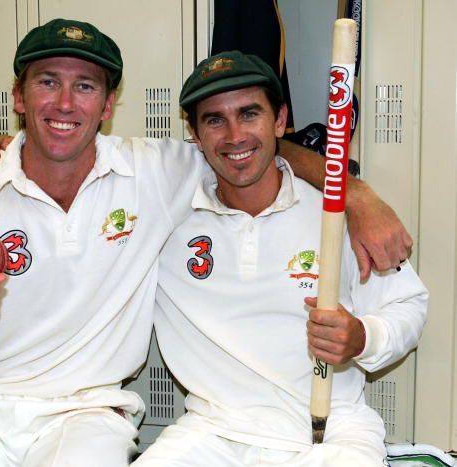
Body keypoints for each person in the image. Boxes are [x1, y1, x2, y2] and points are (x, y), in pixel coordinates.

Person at [0, 17, 408, 467]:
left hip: (86, 416)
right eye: (47, 81)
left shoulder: (155, 171)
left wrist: (354, 194)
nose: (64, 102)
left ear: (107, 105)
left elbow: (252, 151)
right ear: (18, 97)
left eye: (85, 86)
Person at [131, 51, 428, 466]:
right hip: (213, 429)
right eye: (215, 119)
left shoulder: (337, 215)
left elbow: (409, 303)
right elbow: (79, 153)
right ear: (195, 135)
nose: (234, 135)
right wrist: (8, 147)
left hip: (330, 433)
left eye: (249, 113)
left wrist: (363, 336)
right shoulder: (164, 212)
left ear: (280, 119)